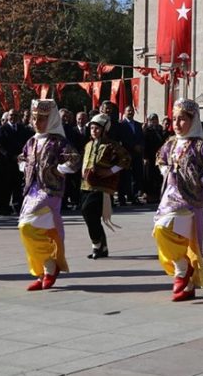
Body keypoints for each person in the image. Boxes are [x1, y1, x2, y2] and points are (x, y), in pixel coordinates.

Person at [153, 98, 203, 301]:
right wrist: (165, 171)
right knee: (163, 232)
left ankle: (182, 271)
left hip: (189, 200)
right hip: (169, 197)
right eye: (174, 119)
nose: (177, 124)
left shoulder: (201, 145)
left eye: (182, 120)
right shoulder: (171, 142)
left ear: (193, 120)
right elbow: (160, 157)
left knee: (166, 229)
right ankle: (185, 278)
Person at [17, 100, 81, 291]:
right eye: (34, 118)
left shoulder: (58, 141)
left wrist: (59, 170)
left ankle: (49, 266)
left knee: (27, 224)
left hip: (50, 190)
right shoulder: (31, 141)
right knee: (29, 228)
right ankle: (46, 269)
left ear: (51, 119)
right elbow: (22, 157)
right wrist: (24, 166)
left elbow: (74, 159)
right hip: (32, 190)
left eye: (42, 119)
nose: (37, 122)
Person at [80, 113, 130, 259]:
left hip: (101, 186)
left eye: (97, 128)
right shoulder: (88, 144)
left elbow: (126, 159)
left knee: (88, 210)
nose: (93, 131)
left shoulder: (112, 145)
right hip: (85, 185)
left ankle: (97, 245)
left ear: (104, 130)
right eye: (92, 128)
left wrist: (110, 171)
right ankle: (102, 246)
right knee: (90, 217)